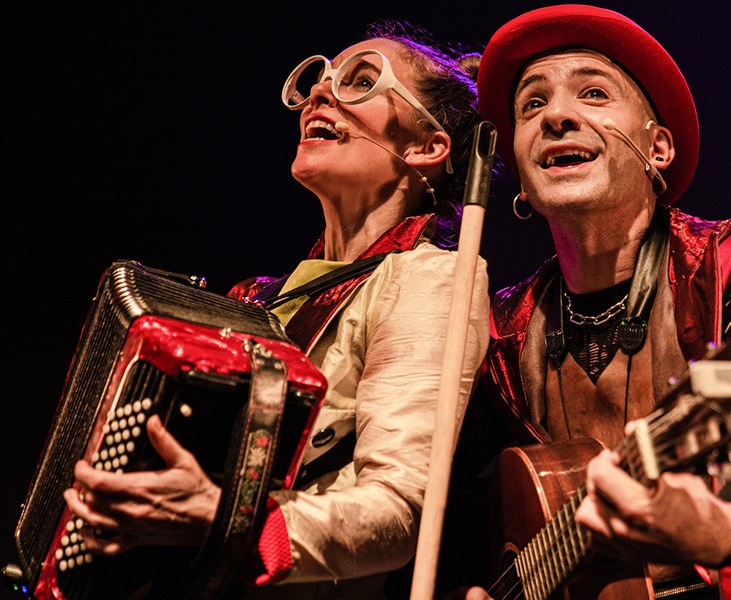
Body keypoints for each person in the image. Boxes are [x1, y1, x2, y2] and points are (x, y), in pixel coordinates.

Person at [62, 19, 491, 599]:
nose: (320, 92)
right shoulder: (260, 299)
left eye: (361, 81)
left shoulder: (430, 278)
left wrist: (232, 527)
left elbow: (402, 508)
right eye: (321, 79)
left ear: (426, 147)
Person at [459, 4, 731, 599]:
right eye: (531, 104)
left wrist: (716, 525)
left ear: (660, 149)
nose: (557, 116)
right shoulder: (506, 335)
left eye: (592, 93)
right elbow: (449, 514)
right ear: (519, 172)